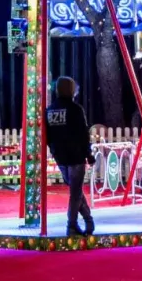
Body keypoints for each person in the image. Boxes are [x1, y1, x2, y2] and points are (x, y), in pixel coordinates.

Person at [45, 76, 95, 237]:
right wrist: (88, 154)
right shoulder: (76, 109)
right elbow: (83, 134)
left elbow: (48, 135)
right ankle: (72, 225)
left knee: (76, 191)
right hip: (76, 155)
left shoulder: (50, 111)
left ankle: (88, 220)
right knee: (75, 193)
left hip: (61, 156)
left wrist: (54, 150)